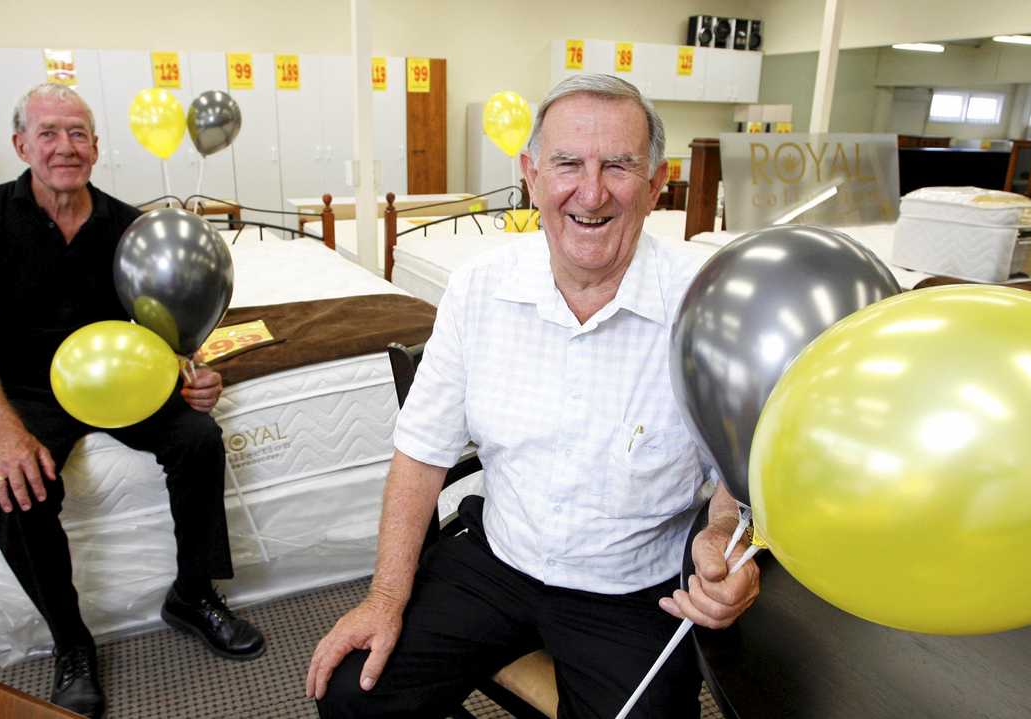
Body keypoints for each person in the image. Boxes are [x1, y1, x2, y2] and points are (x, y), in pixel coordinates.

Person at [307, 74, 760, 718]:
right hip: (500, 557)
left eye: (620, 166)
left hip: (633, 587)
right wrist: (384, 596)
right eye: (567, 163)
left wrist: (721, 536)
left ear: (658, 183)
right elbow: (420, 453)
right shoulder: (479, 289)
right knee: (354, 691)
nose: (591, 191)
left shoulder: (711, 308)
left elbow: (737, 479)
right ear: (532, 175)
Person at [0, 83, 264, 719]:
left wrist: (191, 375)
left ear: (95, 146)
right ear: (21, 144)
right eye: (50, 133)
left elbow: (156, 327)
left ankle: (193, 594)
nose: (65, 147)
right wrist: (3, 431)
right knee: (16, 487)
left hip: (117, 375)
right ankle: (71, 641)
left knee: (198, 438)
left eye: (79, 133)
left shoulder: (124, 225)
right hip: (25, 388)